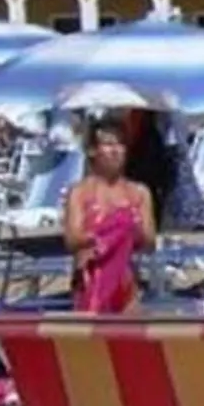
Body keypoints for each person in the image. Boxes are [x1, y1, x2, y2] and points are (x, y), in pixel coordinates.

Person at [66, 120, 156, 313]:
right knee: (90, 339)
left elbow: (150, 241)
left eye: (120, 144)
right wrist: (110, 234)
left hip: (126, 278)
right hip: (92, 277)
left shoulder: (138, 193)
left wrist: (128, 229)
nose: (116, 150)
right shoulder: (80, 192)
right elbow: (72, 239)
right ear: (92, 150)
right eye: (108, 144)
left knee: (127, 339)